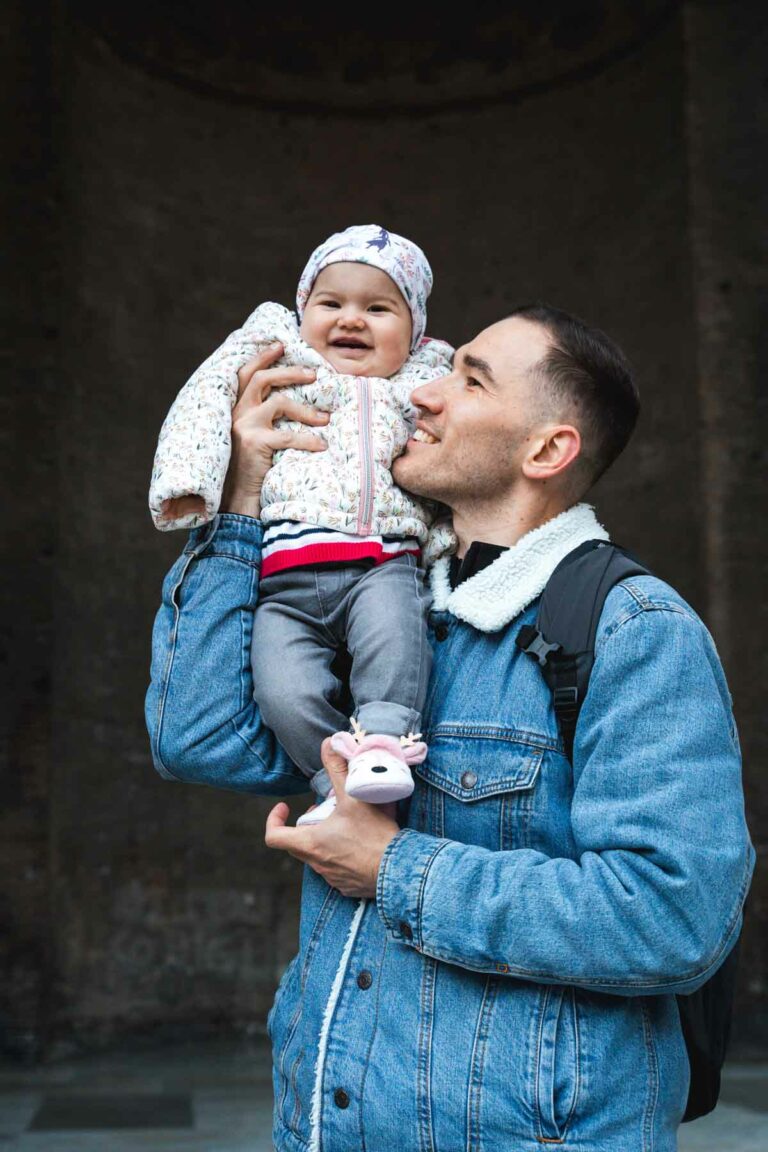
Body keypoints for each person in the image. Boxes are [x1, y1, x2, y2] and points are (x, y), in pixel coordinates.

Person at [146, 300, 754, 1151]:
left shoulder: (635, 632)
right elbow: (197, 736)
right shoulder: (382, 623)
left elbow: (673, 917)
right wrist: (242, 501)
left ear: (547, 450)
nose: (425, 393)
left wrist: (394, 868)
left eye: (469, 379)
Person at [148, 225, 455, 824]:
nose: (352, 320)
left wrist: (444, 543)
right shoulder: (281, 352)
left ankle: (386, 742)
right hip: (283, 579)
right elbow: (207, 391)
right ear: (302, 309)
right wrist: (195, 480)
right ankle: (333, 783)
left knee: (395, 641)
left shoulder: (426, 379)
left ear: (414, 330)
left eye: (378, 308)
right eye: (331, 303)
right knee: (282, 689)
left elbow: (458, 462)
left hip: (381, 561)